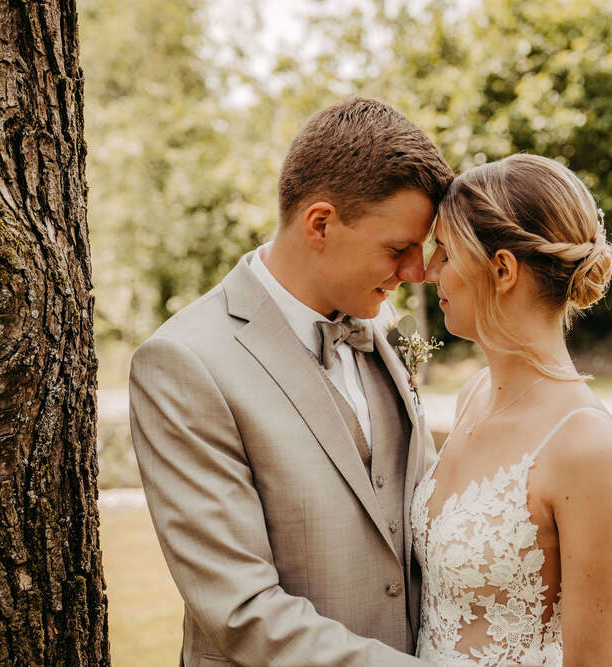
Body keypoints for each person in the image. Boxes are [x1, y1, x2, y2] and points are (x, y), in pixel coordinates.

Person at [129, 97, 454, 666]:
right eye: (399, 248)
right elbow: (242, 611)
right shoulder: (184, 362)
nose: (416, 272)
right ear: (321, 224)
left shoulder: (381, 329)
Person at [413, 154, 612, 666]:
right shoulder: (473, 396)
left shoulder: (585, 444)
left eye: (444, 253)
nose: (428, 272)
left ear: (502, 268)